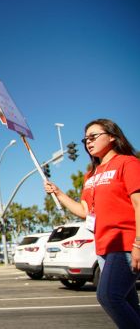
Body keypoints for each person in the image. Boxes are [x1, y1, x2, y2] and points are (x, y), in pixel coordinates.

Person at [44, 119, 140, 328]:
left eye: (93, 136)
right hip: (103, 248)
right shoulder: (90, 175)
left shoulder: (127, 163)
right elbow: (85, 211)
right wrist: (59, 193)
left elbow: (138, 203)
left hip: (125, 243)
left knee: (108, 296)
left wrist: (138, 244)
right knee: (129, 304)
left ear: (112, 136)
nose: (88, 142)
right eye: (85, 138)